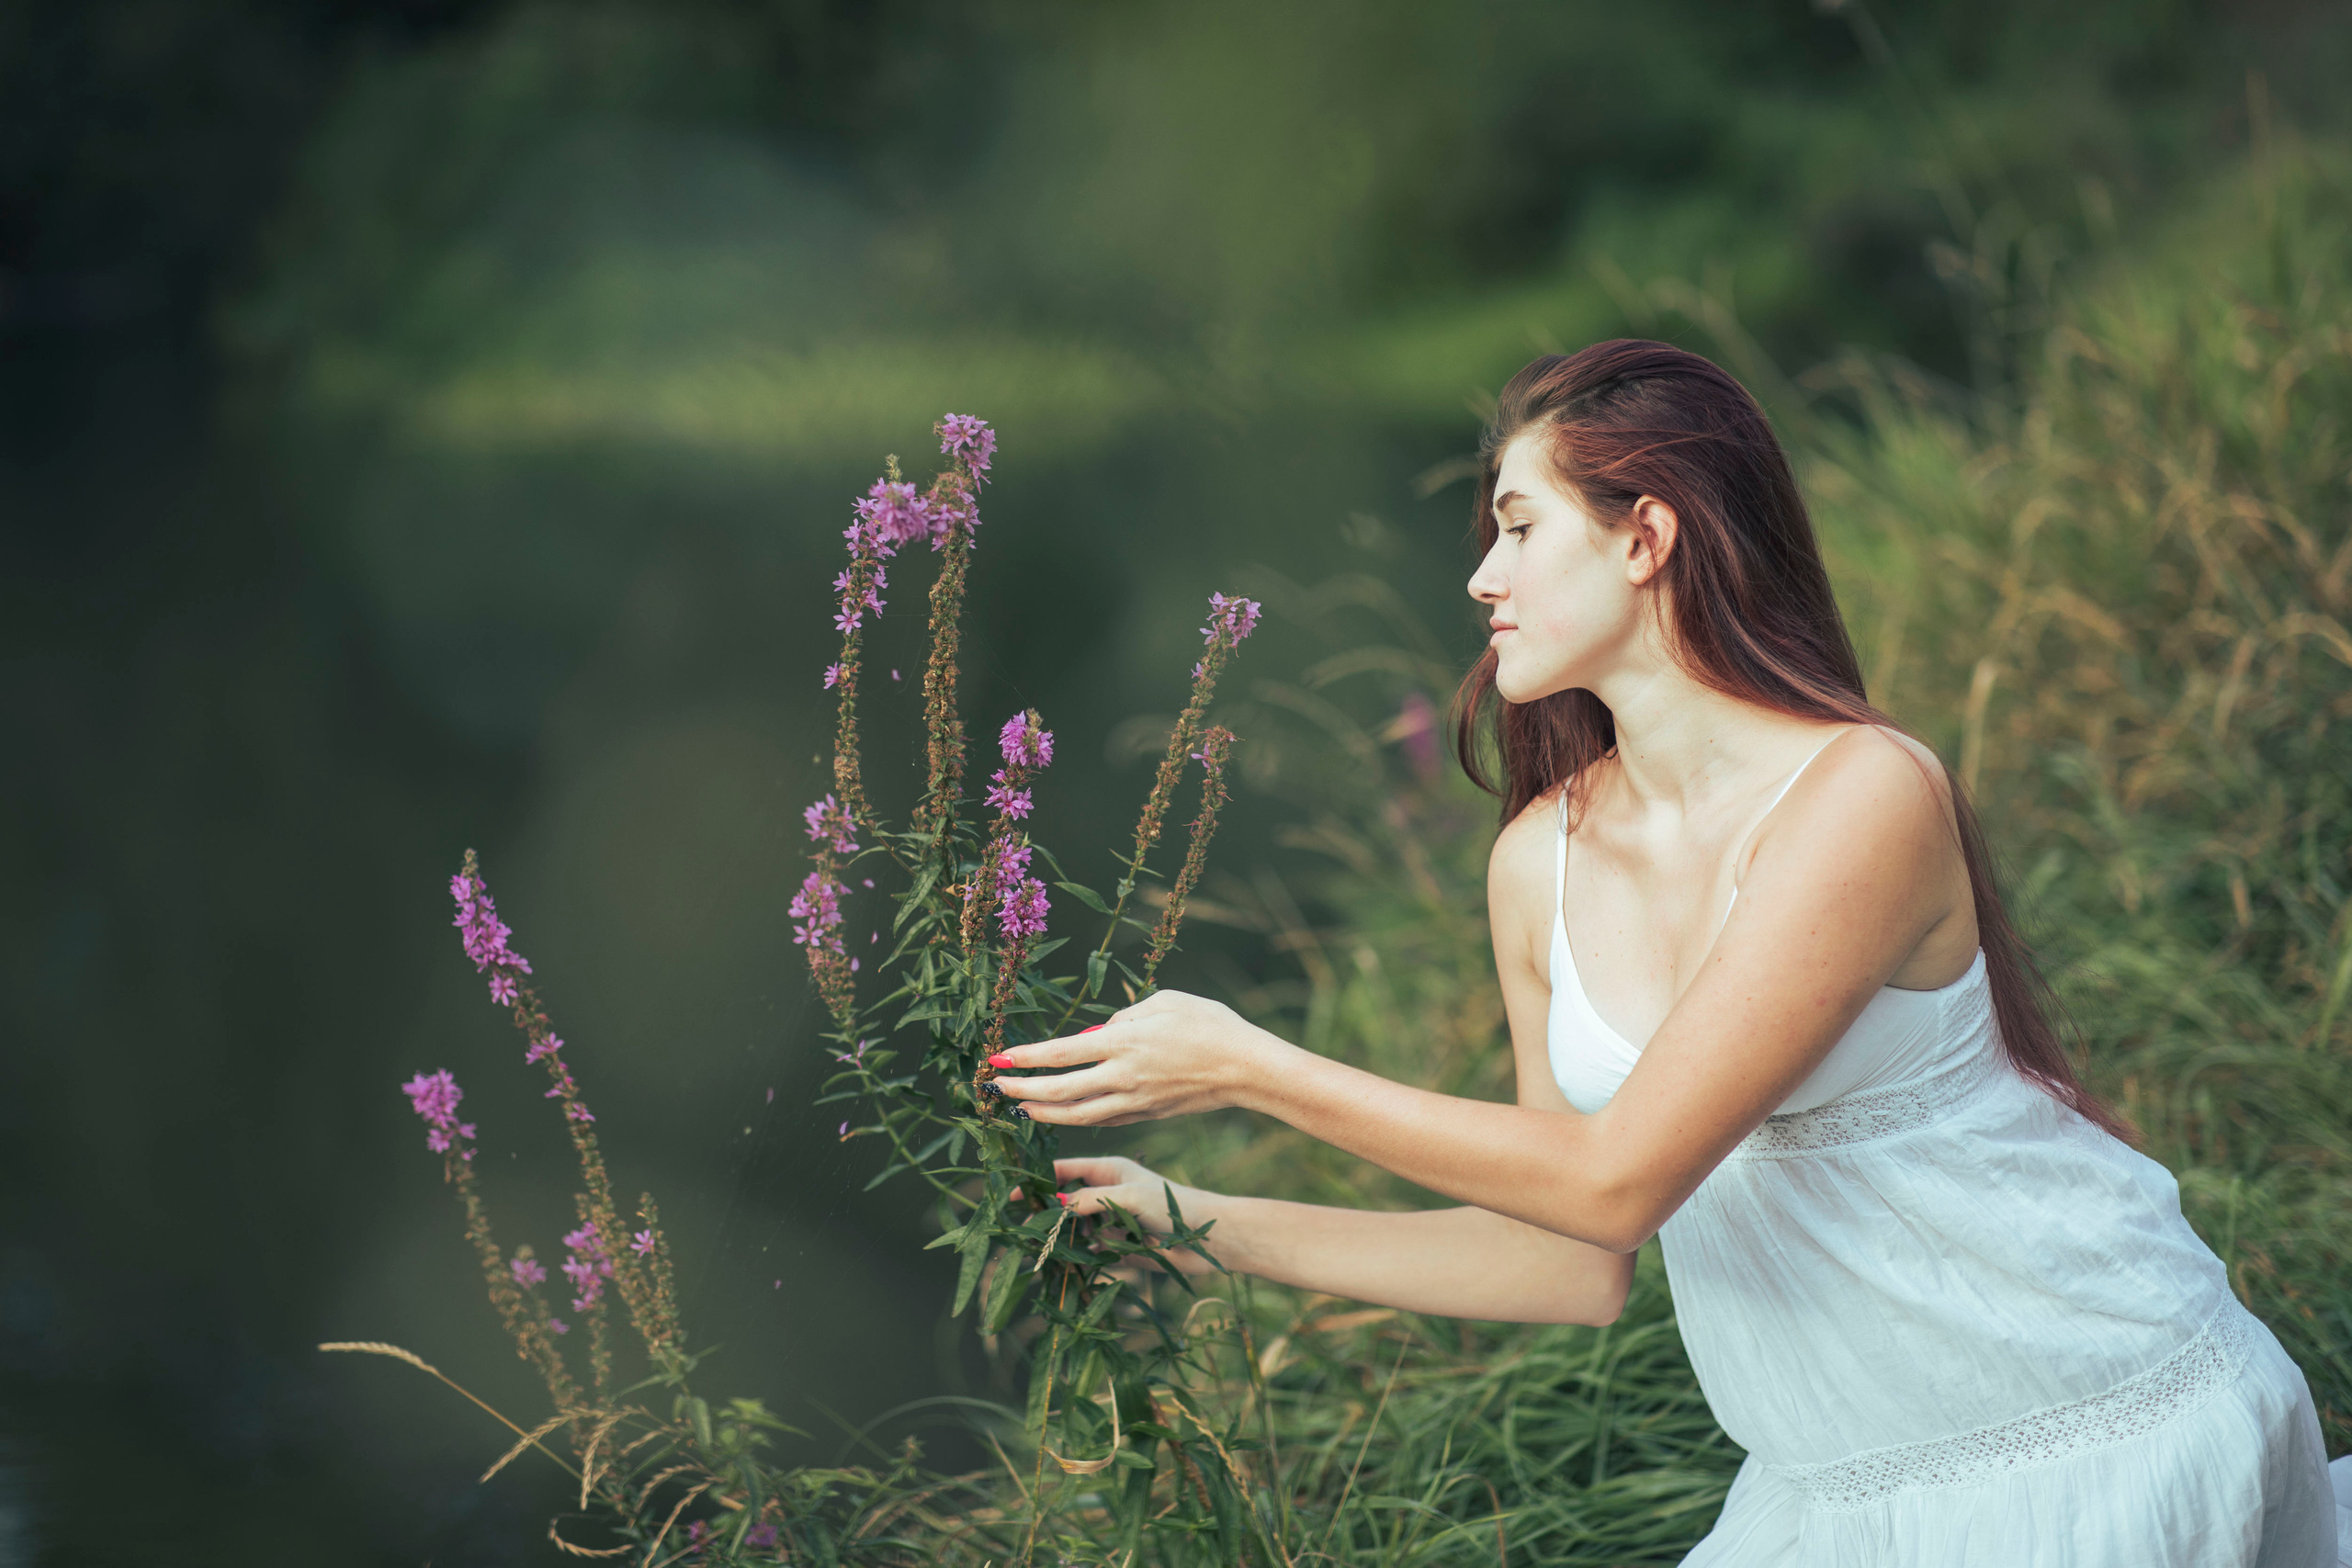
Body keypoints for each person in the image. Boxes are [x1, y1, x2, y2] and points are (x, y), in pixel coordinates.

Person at [984, 341, 2352, 1565]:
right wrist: (1196, 1225)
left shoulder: (1863, 797)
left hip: (2101, 1436)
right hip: (1837, 1500)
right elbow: (1565, 1261)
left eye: (1519, 527)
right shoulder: (1537, 862)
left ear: (1645, 537)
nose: (1482, 577)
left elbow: (1616, 1181)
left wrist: (1250, 1067)